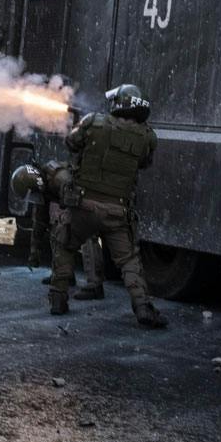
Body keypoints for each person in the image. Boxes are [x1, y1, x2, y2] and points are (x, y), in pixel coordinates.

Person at [48, 84, 165, 328]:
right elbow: (144, 163)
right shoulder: (147, 136)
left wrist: (85, 126)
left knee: (65, 247)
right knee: (129, 261)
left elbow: (70, 143)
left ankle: (58, 301)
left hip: (84, 206)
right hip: (117, 212)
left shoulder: (93, 122)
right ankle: (143, 308)